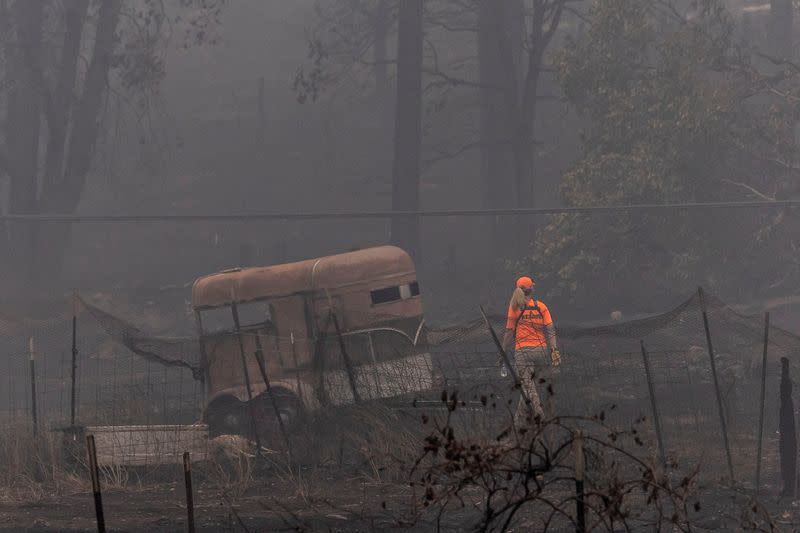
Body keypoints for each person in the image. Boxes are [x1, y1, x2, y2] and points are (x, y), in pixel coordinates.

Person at [501, 276, 560, 425]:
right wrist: (554, 349)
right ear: (531, 289)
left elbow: (509, 332)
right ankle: (518, 422)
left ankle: (540, 415)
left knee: (528, 386)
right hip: (541, 351)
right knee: (529, 387)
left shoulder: (514, 307)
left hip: (523, 352)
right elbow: (550, 329)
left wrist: (503, 351)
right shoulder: (541, 306)